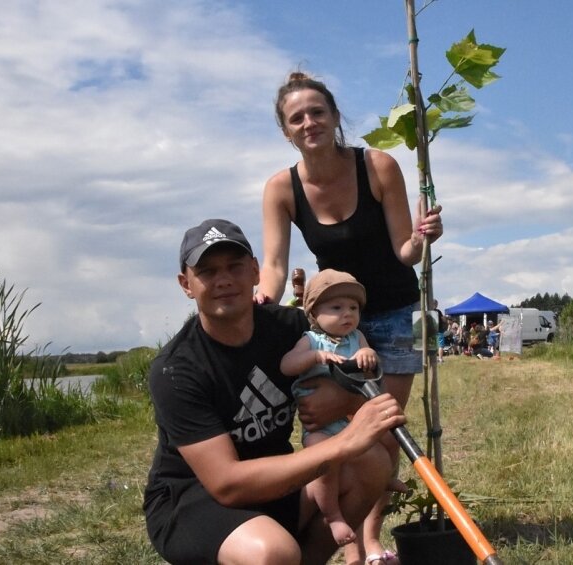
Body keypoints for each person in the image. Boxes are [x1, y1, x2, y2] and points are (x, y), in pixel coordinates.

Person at [257, 71, 443, 564]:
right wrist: (263, 303)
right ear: (286, 130)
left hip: (395, 314)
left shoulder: (377, 166)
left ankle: (370, 541)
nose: (309, 122)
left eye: (318, 112)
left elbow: (405, 250)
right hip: (333, 323)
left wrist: (424, 238)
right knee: (331, 422)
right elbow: (273, 264)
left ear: (336, 118)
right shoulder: (282, 188)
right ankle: (341, 529)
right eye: (297, 117)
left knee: (380, 431)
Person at [143, 219, 404, 565]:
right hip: (194, 497)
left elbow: (359, 385)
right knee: (271, 552)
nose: (223, 280)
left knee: (371, 463)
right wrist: (344, 442)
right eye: (207, 271)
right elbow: (227, 483)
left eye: (235, 267)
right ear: (186, 284)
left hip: (276, 478)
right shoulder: (176, 369)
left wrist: (346, 400)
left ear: (254, 271)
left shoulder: (291, 329)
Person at [280, 269, 378, 548]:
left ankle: (382, 481)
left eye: (353, 307)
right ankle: (332, 515)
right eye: (336, 307)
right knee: (324, 466)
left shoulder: (356, 338)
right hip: (320, 427)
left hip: (352, 419)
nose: (347, 313)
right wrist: (312, 357)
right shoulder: (311, 340)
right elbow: (286, 365)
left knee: (380, 446)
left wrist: (367, 354)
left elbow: (371, 363)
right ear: (314, 313)